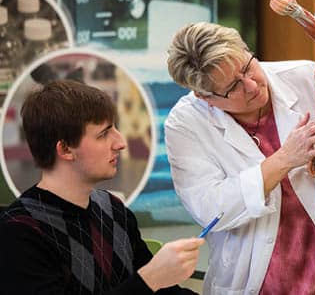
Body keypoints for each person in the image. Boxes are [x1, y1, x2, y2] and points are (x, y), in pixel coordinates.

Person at [165, 22, 315, 294]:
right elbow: (210, 209)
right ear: (205, 98)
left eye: (247, 67)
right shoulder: (185, 125)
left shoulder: (308, 77)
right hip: (254, 282)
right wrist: (284, 159)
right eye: (233, 87)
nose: (252, 85)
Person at [0, 80, 204, 295]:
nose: (120, 142)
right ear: (66, 149)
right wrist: (150, 278)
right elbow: (148, 283)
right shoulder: (18, 232)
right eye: (103, 134)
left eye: (115, 127)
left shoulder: (114, 209)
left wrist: (154, 279)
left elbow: (162, 292)